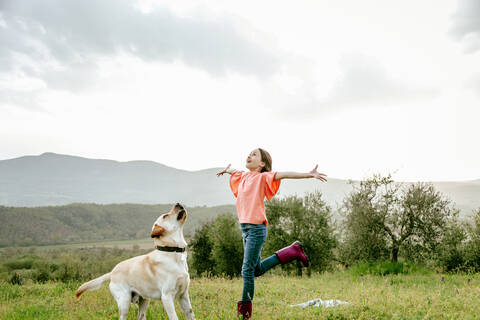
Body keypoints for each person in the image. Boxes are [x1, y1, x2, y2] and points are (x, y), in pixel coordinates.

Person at [216, 148, 327, 319]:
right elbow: (233, 171)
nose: (249, 155)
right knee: (256, 270)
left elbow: (284, 174)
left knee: (247, 271)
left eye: (254, 154)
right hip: (245, 229)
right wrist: (226, 170)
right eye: (249, 153)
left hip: (256, 229)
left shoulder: (263, 177)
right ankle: (293, 251)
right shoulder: (243, 175)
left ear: (262, 164)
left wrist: (308, 174)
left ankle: (244, 314)